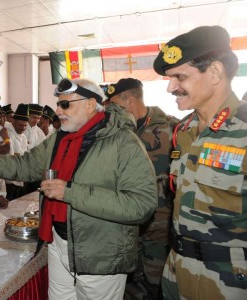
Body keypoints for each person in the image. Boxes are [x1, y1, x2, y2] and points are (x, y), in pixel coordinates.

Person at [0, 78, 157, 300]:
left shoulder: (123, 142)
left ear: (91, 104)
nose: (57, 111)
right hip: (57, 243)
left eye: (65, 104)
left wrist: (69, 192)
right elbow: (26, 164)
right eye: (58, 104)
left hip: (98, 253)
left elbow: (141, 205)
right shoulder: (59, 139)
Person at [153, 25, 247, 299]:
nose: (171, 87)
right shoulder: (183, 131)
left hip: (229, 281)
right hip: (176, 271)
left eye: (180, 77)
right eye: (170, 78)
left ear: (215, 72)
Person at [107, 78, 178, 300]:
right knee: (128, 280)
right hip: (126, 222)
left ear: (130, 99)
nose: (110, 110)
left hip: (159, 222)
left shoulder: (171, 127)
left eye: (115, 105)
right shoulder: (115, 132)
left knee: (157, 282)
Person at [4, 103, 29, 200]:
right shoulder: (7, 133)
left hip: (20, 178)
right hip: (9, 181)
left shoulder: (23, 136)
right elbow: (9, 157)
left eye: (25, 125)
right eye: (20, 125)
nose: (22, 128)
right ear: (13, 121)